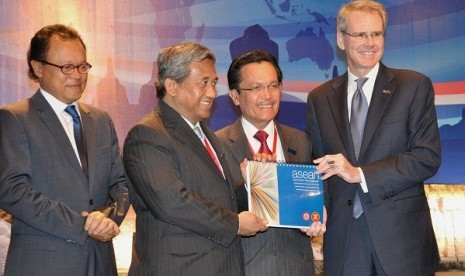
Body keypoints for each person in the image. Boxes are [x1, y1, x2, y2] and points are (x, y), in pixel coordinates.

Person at [306, 1, 441, 275]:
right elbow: (317, 167)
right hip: (344, 241)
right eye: (360, 34)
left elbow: (427, 157)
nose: (370, 42)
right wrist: (310, 210)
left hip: (402, 241)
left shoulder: (414, 86)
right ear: (341, 40)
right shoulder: (319, 98)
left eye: (376, 34)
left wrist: (360, 174)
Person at [123, 42, 268, 275]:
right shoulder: (147, 135)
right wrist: (236, 224)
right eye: (203, 83)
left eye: (213, 83)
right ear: (172, 85)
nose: (212, 93)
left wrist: (254, 183)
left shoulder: (206, 134)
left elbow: (221, 198)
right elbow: (172, 202)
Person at [0, 24, 129, 276]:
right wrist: (83, 225)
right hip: (44, 263)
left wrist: (106, 220)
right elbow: (12, 191)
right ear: (38, 68)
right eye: (67, 67)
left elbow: (120, 185)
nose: (77, 75)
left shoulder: (101, 120)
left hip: (101, 261)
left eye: (83, 66)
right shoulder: (15, 118)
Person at [216, 50, 326, 276]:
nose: (267, 95)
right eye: (256, 88)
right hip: (242, 267)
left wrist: (316, 217)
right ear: (235, 96)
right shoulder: (216, 146)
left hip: (295, 266)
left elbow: (310, 201)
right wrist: (248, 186)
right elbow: (211, 213)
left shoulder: (302, 141)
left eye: (273, 85)